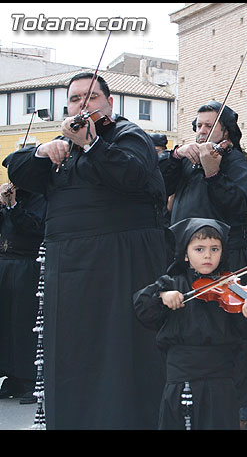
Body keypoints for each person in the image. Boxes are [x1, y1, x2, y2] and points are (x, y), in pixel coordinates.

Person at [3, 72, 167, 429]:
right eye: (75, 99)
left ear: (109, 103)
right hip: (71, 267)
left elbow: (133, 175)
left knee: (123, 352)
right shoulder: (62, 145)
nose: (83, 104)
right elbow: (18, 171)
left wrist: (92, 144)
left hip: (121, 262)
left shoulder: (127, 135)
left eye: (91, 97)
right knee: (74, 354)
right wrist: (42, 151)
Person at [158, 101, 247, 426]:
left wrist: (213, 172)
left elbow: (239, 206)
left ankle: (239, 413)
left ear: (226, 131)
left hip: (224, 261)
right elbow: (157, 183)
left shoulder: (235, 162)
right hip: (185, 263)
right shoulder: (188, 162)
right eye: (198, 126)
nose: (201, 132)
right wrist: (175, 156)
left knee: (230, 338)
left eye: (208, 126)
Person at [133, 218, 247, 429]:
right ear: (185, 254)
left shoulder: (232, 288)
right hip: (183, 374)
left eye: (215, 249)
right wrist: (162, 296)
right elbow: (142, 309)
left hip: (220, 378)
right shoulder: (172, 283)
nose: (208, 255)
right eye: (199, 249)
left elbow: (244, 334)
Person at [0, 182, 46, 404]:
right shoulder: (8, 199)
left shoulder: (39, 198)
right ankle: (10, 374)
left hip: (26, 264)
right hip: (4, 263)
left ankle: (29, 378)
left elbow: (34, 227)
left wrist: (15, 206)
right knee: (4, 323)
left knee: (23, 323)